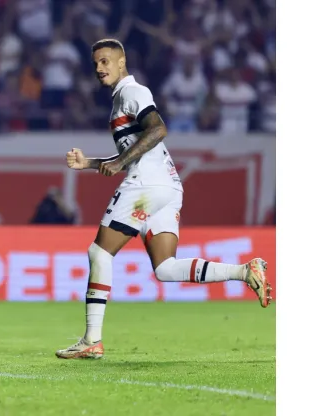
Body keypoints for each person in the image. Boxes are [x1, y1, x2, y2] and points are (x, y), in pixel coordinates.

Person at [55, 39, 272, 360]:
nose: (99, 69)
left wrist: (117, 164)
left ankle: (91, 340)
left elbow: (157, 129)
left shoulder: (133, 92)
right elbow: (134, 150)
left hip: (145, 187)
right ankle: (245, 271)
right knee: (166, 268)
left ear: (121, 61)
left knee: (99, 252)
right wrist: (90, 163)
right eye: (95, 64)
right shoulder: (121, 99)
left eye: (105, 61)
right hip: (167, 187)